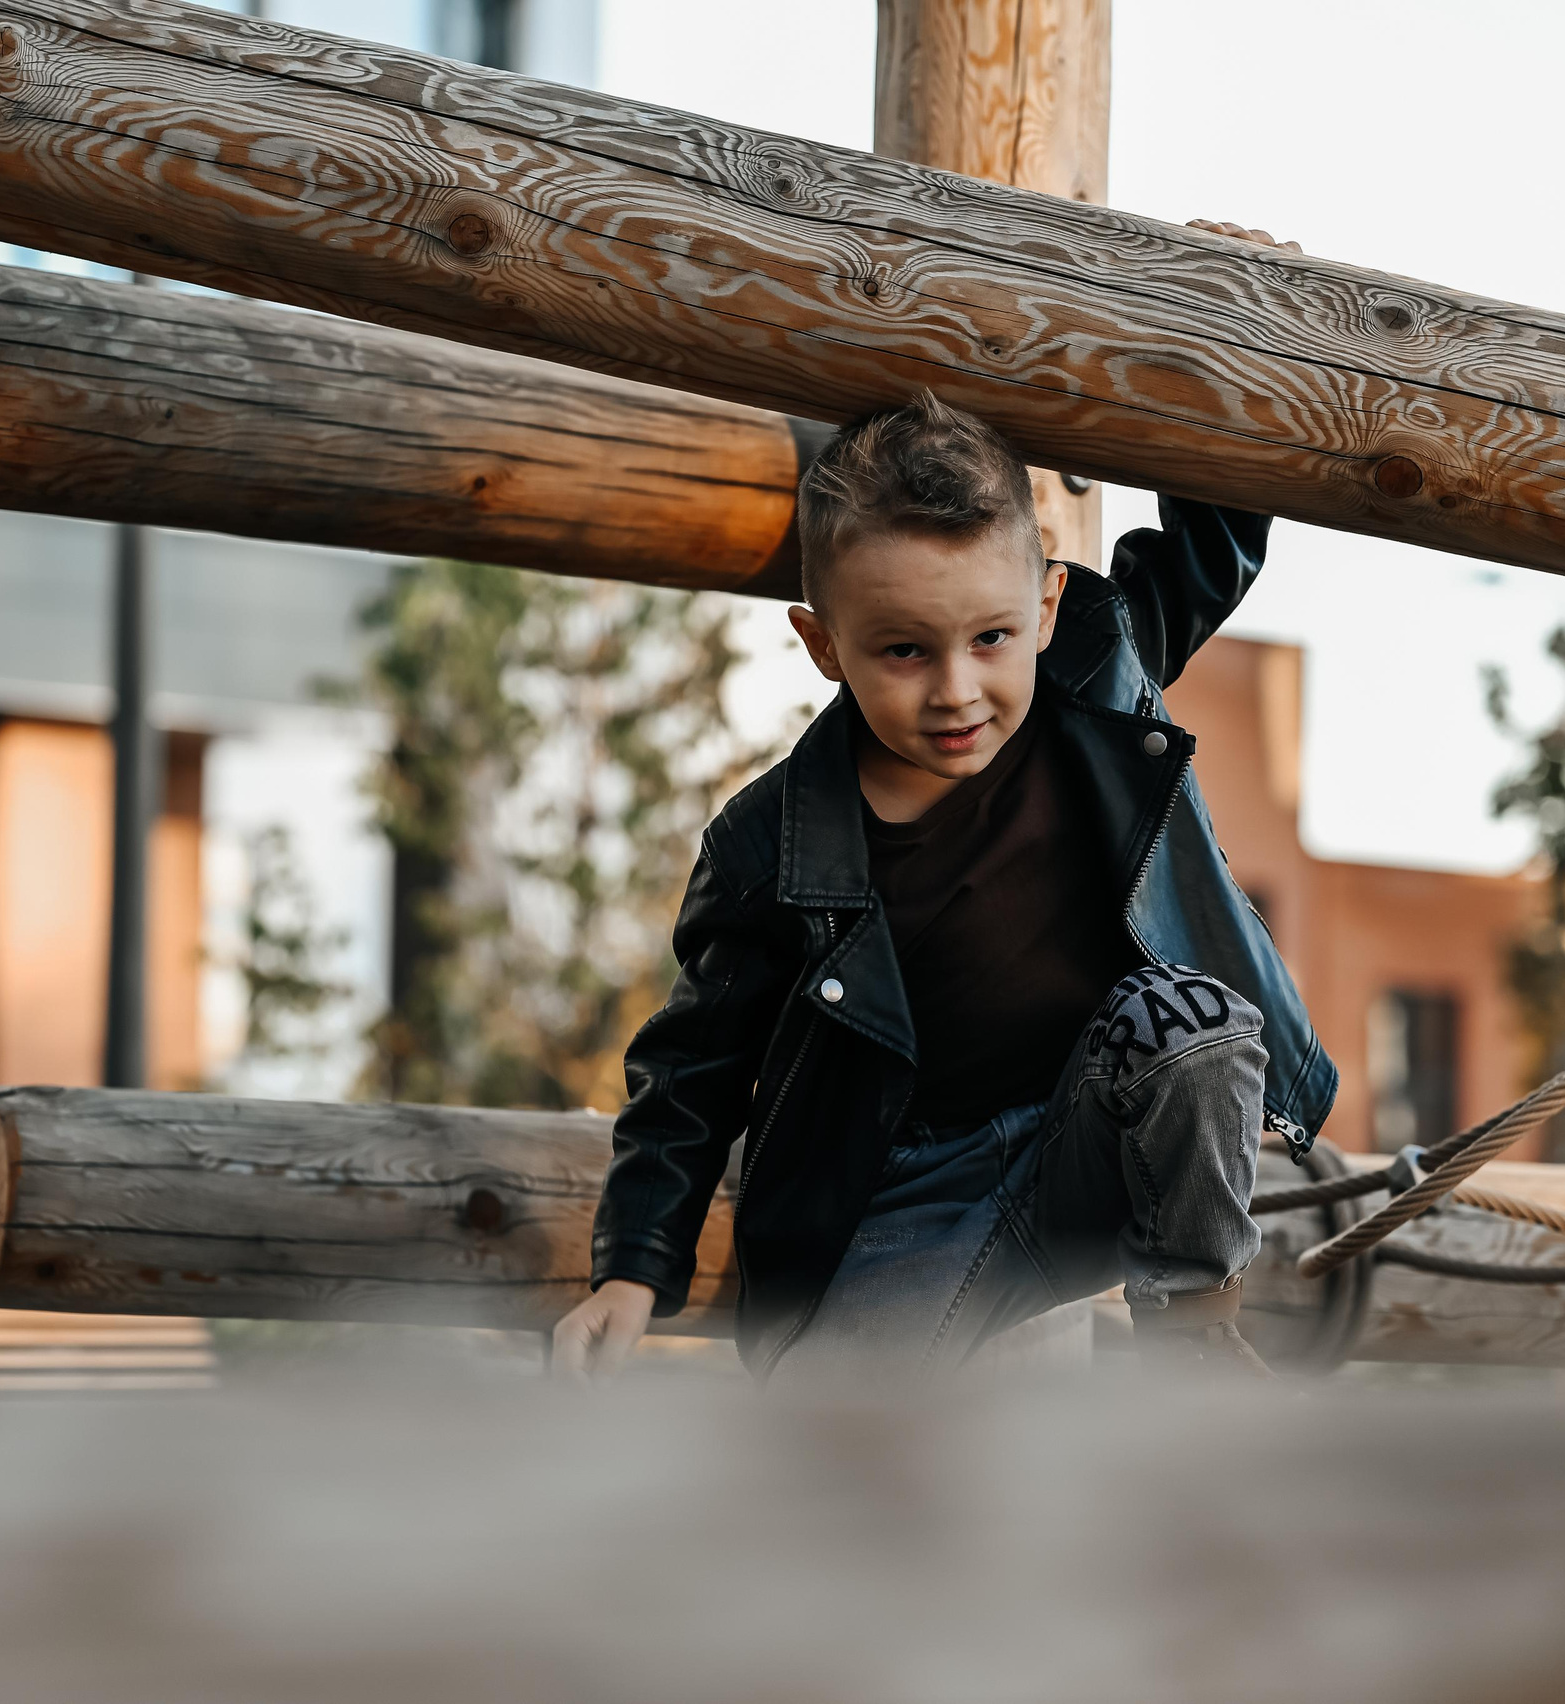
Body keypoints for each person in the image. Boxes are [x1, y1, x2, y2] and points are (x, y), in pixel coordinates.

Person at [550, 226, 1333, 1380]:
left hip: (1094, 1145)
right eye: (904, 650)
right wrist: (630, 1270)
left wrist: (1226, 312)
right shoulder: (770, 842)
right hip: (912, 1200)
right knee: (833, 1448)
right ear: (822, 646)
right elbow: (689, 1077)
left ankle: (1196, 1335)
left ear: (1049, 606)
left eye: (990, 638)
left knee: (1194, 1022)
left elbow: (1216, 533)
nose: (957, 690)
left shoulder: (1098, 670)